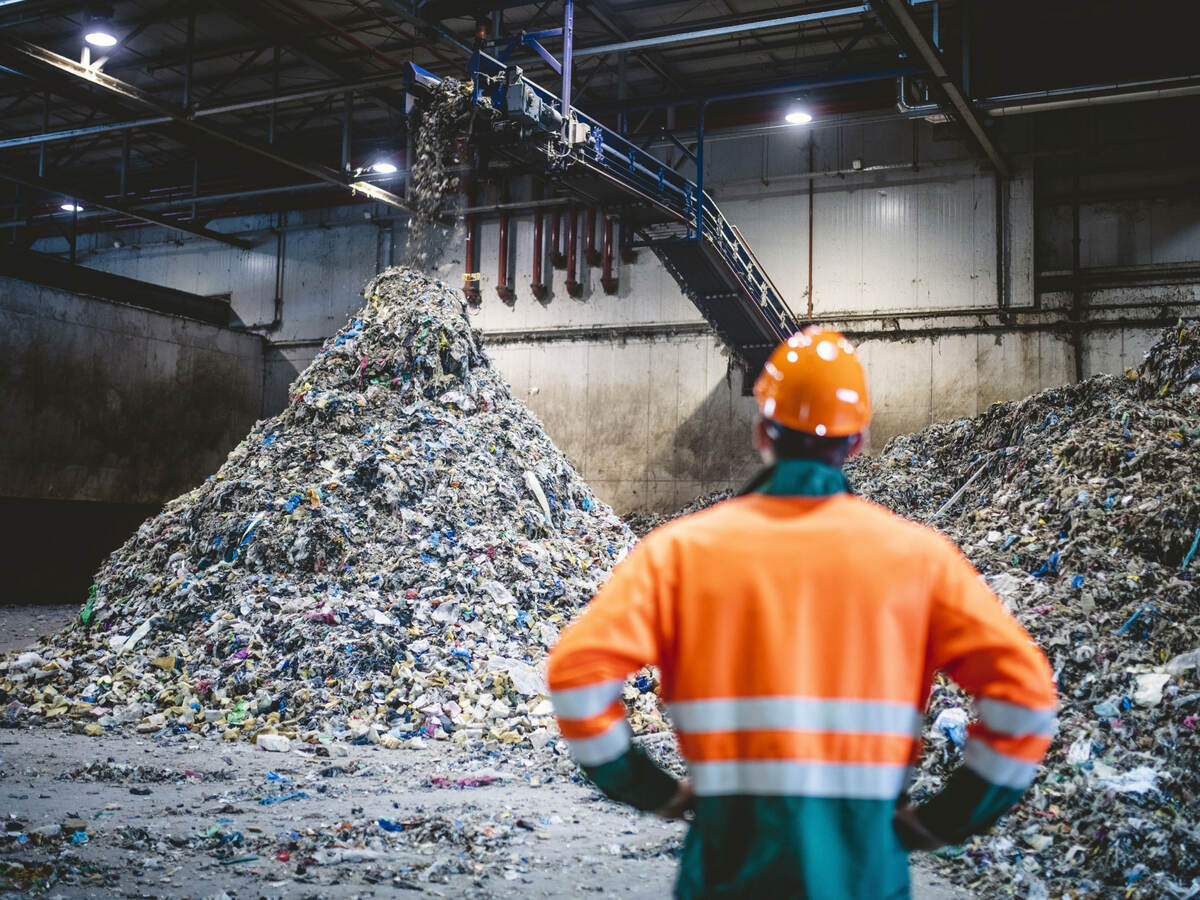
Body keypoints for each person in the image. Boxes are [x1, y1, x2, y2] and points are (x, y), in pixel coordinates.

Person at [546, 327, 1057, 899]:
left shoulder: (679, 553)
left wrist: (648, 787)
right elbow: (1027, 701)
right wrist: (947, 818)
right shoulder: (921, 560)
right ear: (857, 442)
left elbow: (577, 676)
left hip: (726, 872)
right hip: (864, 874)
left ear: (764, 431)